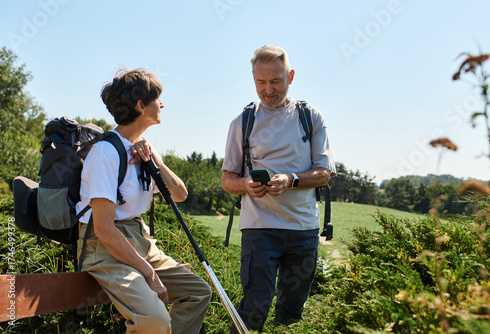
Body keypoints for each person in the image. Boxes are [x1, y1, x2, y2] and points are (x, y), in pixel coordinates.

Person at [76, 68, 212, 334]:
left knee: (198, 292)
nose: (162, 104)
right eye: (157, 98)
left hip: (140, 242)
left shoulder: (145, 150)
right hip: (105, 247)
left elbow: (180, 194)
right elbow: (104, 228)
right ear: (140, 106)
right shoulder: (105, 153)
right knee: (154, 321)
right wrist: (149, 273)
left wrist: (155, 161)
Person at [221, 45, 336, 332]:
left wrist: (292, 180)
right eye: (261, 82)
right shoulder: (242, 123)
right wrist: (247, 184)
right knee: (253, 309)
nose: (268, 90)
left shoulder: (311, 117)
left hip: (303, 230)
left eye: (275, 81)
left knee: (292, 315)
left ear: (291, 77)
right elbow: (227, 180)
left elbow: (324, 173)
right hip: (259, 230)